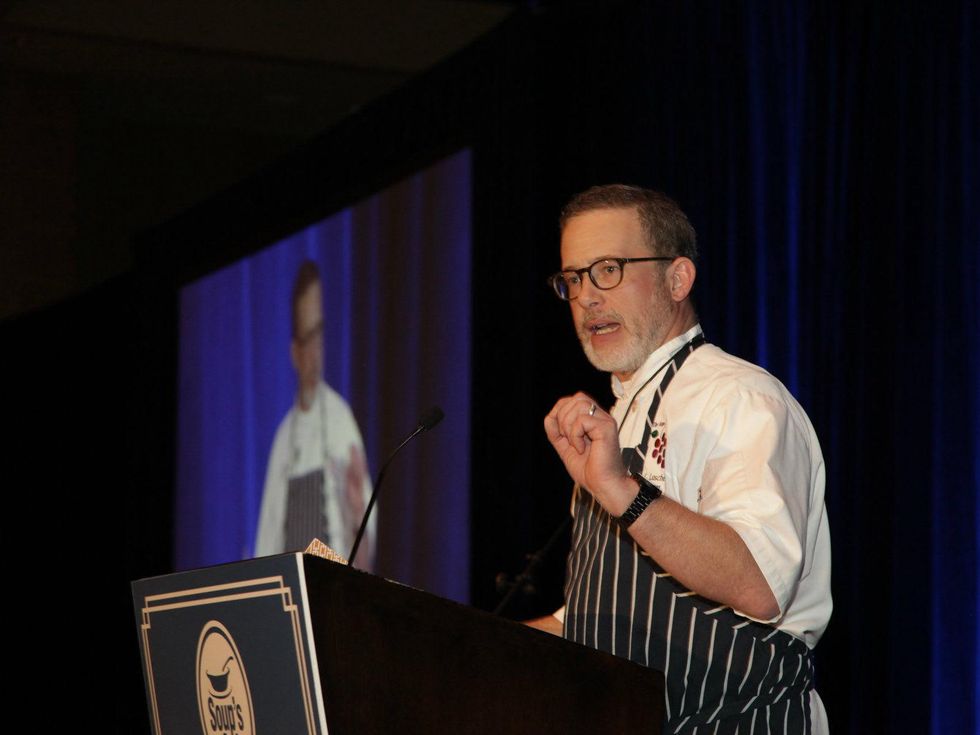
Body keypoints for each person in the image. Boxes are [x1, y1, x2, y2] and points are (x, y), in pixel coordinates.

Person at [531, 185, 831, 734]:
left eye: (608, 270)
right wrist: (440, 638)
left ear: (678, 279)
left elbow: (761, 584)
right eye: (573, 279)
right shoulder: (613, 424)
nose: (587, 297)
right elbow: (591, 624)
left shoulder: (739, 398)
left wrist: (622, 490)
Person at [255, 260, 375, 568]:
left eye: (320, 334)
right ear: (295, 351)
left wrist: (356, 510)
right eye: (309, 338)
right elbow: (267, 536)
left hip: (332, 587)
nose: (316, 351)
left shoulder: (339, 419)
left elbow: (365, 536)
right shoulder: (284, 437)